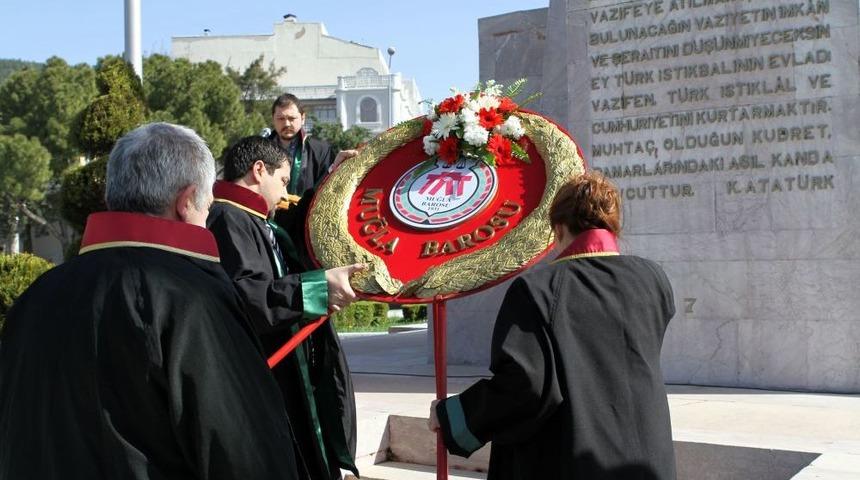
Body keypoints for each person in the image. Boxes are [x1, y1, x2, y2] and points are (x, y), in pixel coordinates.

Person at [0, 123, 300, 480]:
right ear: (187, 201)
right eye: (207, 208)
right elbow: (247, 454)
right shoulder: (192, 298)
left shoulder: (36, 296)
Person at [429, 171, 677, 479]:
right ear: (613, 223)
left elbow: (526, 385)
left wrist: (455, 416)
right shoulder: (653, 279)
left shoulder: (538, 289)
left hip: (573, 458)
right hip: (647, 456)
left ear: (558, 228)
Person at [207, 135, 364, 480]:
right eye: (282, 181)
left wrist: (332, 178)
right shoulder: (227, 219)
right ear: (258, 170)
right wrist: (317, 288)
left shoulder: (254, 219)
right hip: (265, 380)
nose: (284, 192)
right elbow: (246, 297)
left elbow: (299, 223)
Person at [266, 93, 357, 197]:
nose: (286, 124)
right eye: (281, 118)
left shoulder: (321, 150)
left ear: (303, 118)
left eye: (291, 118)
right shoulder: (260, 149)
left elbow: (328, 188)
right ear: (273, 118)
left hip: (305, 211)